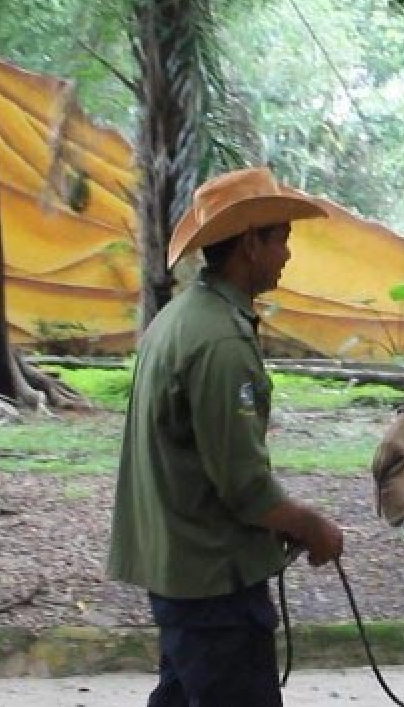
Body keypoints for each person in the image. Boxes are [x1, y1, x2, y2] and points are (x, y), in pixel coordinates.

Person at [109, 167, 345, 707]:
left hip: (178, 570)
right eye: (280, 238)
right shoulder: (220, 342)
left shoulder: (176, 320)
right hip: (213, 584)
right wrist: (314, 527)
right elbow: (244, 488)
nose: (287, 254)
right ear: (249, 244)